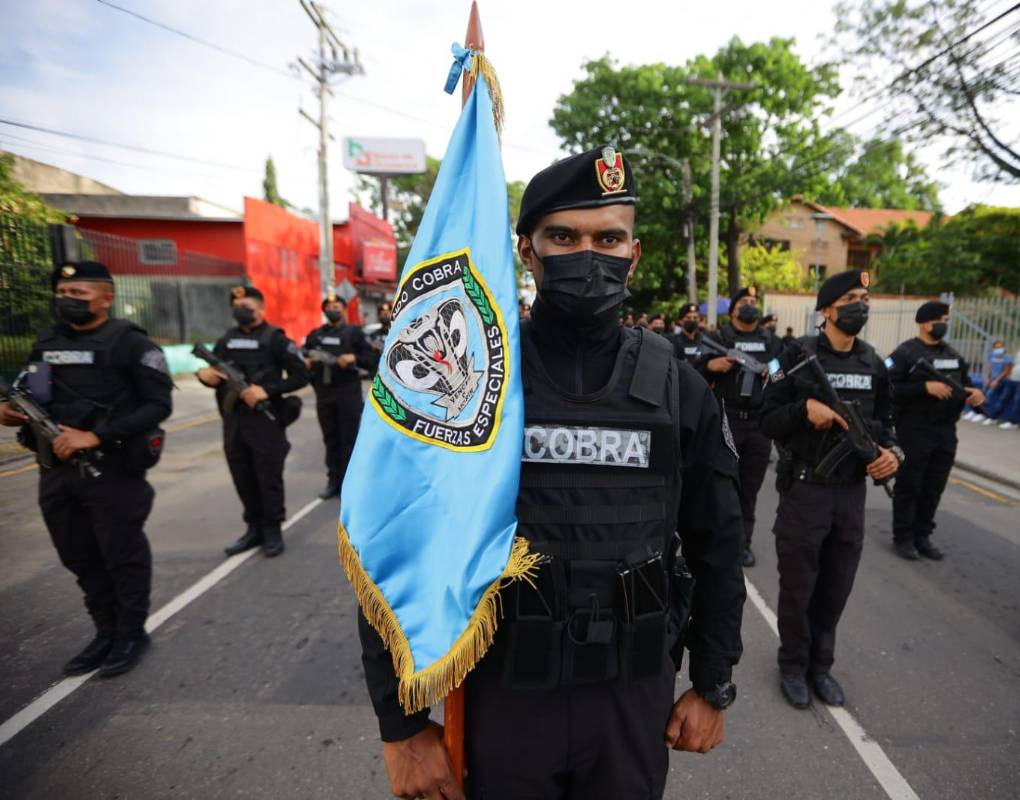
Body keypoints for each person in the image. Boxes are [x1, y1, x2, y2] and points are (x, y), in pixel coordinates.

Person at [358, 146, 746, 800]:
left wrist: (713, 683)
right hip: (501, 694)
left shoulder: (677, 386)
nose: (588, 254)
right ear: (527, 250)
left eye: (608, 238)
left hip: (631, 693)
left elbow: (719, 543)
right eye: (563, 236)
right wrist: (400, 726)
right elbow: (394, 540)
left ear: (634, 253)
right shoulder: (469, 381)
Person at [0, 261, 172, 677]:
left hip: (111, 469)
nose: (67, 299)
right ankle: (105, 630)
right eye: (62, 292)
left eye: (78, 294)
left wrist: (97, 436)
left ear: (106, 299)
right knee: (77, 554)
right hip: (56, 469)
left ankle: (131, 633)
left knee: (120, 552)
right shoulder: (47, 343)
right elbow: (33, 393)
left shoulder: (131, 344)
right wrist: (11, 413)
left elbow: (157, 405)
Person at [761, 269, 901, 709]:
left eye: (865, 297)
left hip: (850, 496)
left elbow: (893, 427)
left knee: (836, 586)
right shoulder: (792, 356)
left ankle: (821, 667)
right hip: (806, 492)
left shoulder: (875, 363)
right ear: (826, 310)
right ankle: (792, 665)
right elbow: (763, 416)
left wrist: (894, 454)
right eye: (851, 298)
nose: (861, 304)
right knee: (799, 587)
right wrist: (805, 409)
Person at [196, 286, 308, 558]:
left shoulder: (276, 339)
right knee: (242, 476)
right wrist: (204, 375)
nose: (239, 308)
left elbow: (301, 375)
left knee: (267, 478)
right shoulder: (227, 340)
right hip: (234, 422)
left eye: (244, 304)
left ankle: (272, 531)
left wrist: (266, 391)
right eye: (235, 304)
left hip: (265, 422)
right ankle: (253, 529)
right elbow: (214, 373)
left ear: (260, 309)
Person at [886, 301, 986, 561]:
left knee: (933, 487)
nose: (944, 324)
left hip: (945, 431)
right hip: (914, 430)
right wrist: (923, 388)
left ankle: (923, 536)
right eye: (940, 319)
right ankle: (904, 537)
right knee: (910, 485)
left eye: (946, 319)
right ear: (924, 323)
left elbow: (965, 385)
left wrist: (974, 393)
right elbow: (888, 390)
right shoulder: (904, 354)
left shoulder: (952, 355)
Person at [703, 285, 782, 567]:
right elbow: (694, 370)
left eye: (753, 300)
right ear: (734, 309)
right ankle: (717, 540)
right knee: (722, 485)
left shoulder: (770, 340)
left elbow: (782, 371)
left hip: (760, 425)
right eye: (744, 301)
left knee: (749, 489)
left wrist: (769, 373)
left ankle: (742, 544)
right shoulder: (719, 338)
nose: (750, 304)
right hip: (728, 420)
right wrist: (713, 366)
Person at [303, 293, 378, 500]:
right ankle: (333, 481)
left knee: (349, 439)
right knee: (331, 439)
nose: (333, 309)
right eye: (329, 306)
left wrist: (353, 357)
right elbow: (303, 353)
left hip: (347, 392)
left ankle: (351, 483)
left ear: (344, 309)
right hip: (324, 393)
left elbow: (372, 358)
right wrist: (307, 359)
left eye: (337, 306)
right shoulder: (316, 335)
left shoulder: (355, 333)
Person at [977, 338, 1013, 425]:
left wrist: (996, 381)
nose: (998, 349)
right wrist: (987, 378)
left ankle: (990, 416)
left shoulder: (1007, 357)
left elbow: (1006, 371)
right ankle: (981, 413)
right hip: (992, 378)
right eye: (996, 347)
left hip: (1001, 379)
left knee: (990, 395)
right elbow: (990, 368)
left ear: (1004, 347)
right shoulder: (992, 356)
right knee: (982, 393)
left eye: (1000, 347)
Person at [672, 302, 705, 369]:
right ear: (680, 321)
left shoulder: (705, 341)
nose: (692, 320)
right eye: (688, 317)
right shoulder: (672, 342)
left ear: (699, 320)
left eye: (695, 318)